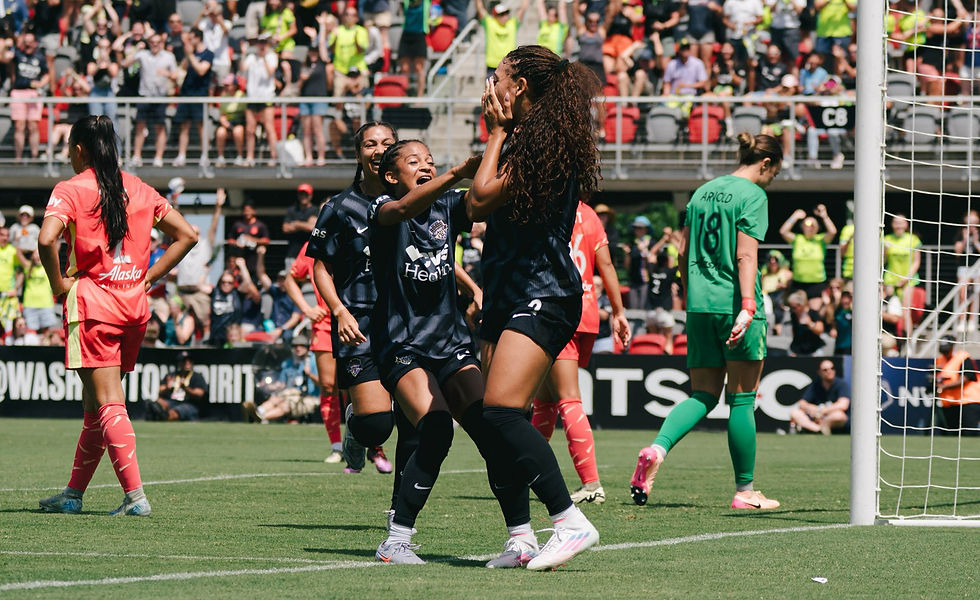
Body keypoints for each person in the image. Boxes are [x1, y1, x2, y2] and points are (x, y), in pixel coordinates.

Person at [469, 44, 602, 570]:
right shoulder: (531, 139)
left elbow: (479, 203)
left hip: (542, 292)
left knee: (500, 409)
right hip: (507, 289)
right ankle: (520, 537)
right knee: (499, 418)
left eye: (497, 76)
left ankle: (569, 521)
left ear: (518, 86)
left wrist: (495, 132)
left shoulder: (539, 142)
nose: (491, 85)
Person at [368, 141, 523, 564]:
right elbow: (401, 211)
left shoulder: (449, 207)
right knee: (436, 428)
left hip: (451, 341)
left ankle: (520, 539)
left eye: (429, 161)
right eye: (414, 162)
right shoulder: (381, 207)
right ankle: (396, 539)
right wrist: (455, 171)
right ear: (391, 175)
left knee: (492, 431)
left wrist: (499, 145)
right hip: (402, 344)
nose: (425, 166)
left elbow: (481, 200)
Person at [36, 115, 198, 516]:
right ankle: (73, 495)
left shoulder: (71, 189)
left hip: (95, 307)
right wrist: (149, 277)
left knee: (108, 403)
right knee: (95, 406)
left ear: (78, 149)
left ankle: (136, 497)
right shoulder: (139, 187)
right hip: (133, 309)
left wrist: (59, 284)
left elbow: (45, 239)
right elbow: (188, 235)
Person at [630, 132, 782, 511]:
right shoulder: (754, 195)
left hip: (698, 307)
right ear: (765, 164)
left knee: (702, 395)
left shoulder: (701, 192)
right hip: (735, 305)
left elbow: (681, 252)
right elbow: (746, 256)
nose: (770, 181)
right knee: (742, 398)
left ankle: (657, 448)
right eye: (773, 173)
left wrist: (689, 289)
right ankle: (745, 491)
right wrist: (748, 305)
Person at [306, 122, 403, 476]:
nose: (378, 150)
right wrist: (339, 311)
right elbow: (320, 267)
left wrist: (471, 288)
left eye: (387, 143)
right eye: (370, 144)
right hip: (358, 322)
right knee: (376, 425)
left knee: (419, 421)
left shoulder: (413, 199)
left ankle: (403, 514)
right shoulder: (339, 207)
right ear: (359, 154)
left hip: (408, 320)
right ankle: (355, 430)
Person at [531, 201, 631, 504]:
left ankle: (591, 484)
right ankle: (525, 474)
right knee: (545, 399)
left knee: (566, 397)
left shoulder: (543, 209)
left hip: (555, 309)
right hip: (585, 311)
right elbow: (607, 265)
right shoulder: (587, 214)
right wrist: (618, 312)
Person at [283, 239, 343, 463]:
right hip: (324, 326)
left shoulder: (359, 237)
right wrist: (307, 309)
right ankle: (336, 446)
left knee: (357, 385)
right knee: (329, 386)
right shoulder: (312, 245)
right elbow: (290, 280)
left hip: (357, 322)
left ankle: (369, 445)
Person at [124, 33, 178, 168]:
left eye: (158, 42)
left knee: (159, 127)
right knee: (140, 126)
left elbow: (176, 76)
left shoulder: (168, 56)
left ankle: (158, 157)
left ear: (161, 43)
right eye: (152, 42)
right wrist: (137, 49)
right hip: (145, 96)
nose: (155, 44)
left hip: (160, 96)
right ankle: (137, 156)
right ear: (149, 43)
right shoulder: (143, 54)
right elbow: (125, 63)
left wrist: (168, 74)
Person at [243, 335, 321, 423]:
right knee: (275, 397)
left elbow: (322, 383)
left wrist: (309, 374)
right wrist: (269, 386)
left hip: (309, 397)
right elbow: (282, 384)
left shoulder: (315, 361)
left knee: (285, 405)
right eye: (295, 346)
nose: (298, 348)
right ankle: (259, 411)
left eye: (301, 346)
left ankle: (260, 417)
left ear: (307, 347)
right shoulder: (288, 362)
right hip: (290, 393)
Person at [2, 32, 49, 162]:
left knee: (33, 126)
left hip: (34, 94)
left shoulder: (39, 57)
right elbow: (4, 58)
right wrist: (5, 45)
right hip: (18, 92)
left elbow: (47, 75)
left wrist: (40, 84)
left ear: (35, 43)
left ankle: (34, 157)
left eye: (30, 41)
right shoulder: (17, 55)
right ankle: (18, 157)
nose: (27, 44)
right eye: (25, 41)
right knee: (19, 125)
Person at [779, 204, 837, 307]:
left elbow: (832, 231)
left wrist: (824, 216)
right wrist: (794, 216)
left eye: (813, 225)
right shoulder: (798, 239)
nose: (810, 227)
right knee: (797, 313)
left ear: (818, 228)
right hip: (798, 283)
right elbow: (783, 231)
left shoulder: (820, 240)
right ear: (802, 227)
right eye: (807, 224)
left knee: (814, 314)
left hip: (816, 283)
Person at [173, 28, 214, 168]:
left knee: (201, 126)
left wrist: (190, 55)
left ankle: (205, 155)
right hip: (186, 93)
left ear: (198, 38)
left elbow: (201, 70)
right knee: (184, 126)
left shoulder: (208, 54)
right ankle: (181, 155)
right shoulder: (190, 54)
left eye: (191, 39)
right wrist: (188, 55)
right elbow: (182, 69)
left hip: (200, 94)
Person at [241, 33, 279, 167]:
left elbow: (270, 73)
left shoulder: (272, 57)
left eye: (264, 43)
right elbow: (242, 69)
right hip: (252, 97)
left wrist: (263, 59)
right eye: (260, 43)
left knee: (269, 127)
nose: (262, 45)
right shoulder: (251, 57)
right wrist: (243, 54)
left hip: (267, 96)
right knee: (250, 129)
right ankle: (249, 157)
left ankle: (273, 157)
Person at [933, 337, 980, 435]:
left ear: (952, 347)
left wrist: (944, 387)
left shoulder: (963, 357)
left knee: (968, 435)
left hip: (968, 401)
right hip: (950, 403)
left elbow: (965, 378)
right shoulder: (940, 360)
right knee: (951, 436)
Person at [789, 359, 849, 434]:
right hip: (815, 418)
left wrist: (822, 411)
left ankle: (821, 428)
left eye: (832, 368)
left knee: (839, 415)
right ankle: (818, 430)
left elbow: (843, 405)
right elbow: (802, 403)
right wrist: (812, 408)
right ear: (819, 372)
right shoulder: (815, 385)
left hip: (830, 417)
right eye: (825, 370)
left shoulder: (841, 384)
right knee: (794, 413)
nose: (829, 371)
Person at [476, 0, 532, 79]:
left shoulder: (512, 24)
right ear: (495, 16)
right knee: (490, 90)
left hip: (508, 65)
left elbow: (522, 9)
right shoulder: (490, 23)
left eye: (506, 13)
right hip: (492, 66)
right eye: (501, 14)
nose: (505, 16)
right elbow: (480, 8)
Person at [147, 351, 210, 421]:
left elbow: (200, 394)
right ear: (179, 363)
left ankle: (164, 416)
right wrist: (167, 387)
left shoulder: (197, 376)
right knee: (158, 402)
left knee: (178, 411)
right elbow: (159, 390)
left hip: (189, 403)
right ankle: (156, 413)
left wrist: (185, 388)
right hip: (172, 401)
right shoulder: (172, 375)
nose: (187, 363)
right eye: (184, 361)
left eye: (189, 360)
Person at [283, 183, 320, 263]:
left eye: (306, 194)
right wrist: (304, 225)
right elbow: (285, 228)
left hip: (309, 254)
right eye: (301, 194)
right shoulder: (292, 210)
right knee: (289, 275)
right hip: (292, 254)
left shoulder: (315, 210)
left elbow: (311, 227)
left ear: (310, 196)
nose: (303, 196)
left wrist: (296, 224)